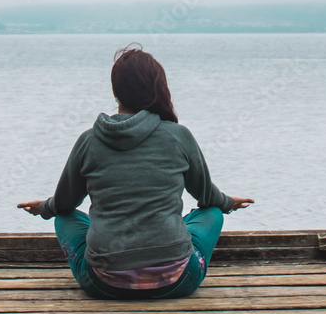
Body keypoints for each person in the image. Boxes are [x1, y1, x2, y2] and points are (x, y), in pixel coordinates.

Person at [17, 44, 253, 299]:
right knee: (213, 213)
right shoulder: (178, 136)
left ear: (115, 92)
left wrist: (43, 208)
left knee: (64, 217)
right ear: (158, 88)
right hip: (179, 281)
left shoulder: (89, 140)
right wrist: (227, 203)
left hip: (102, 283)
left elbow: (63, 204)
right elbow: (208, 198)